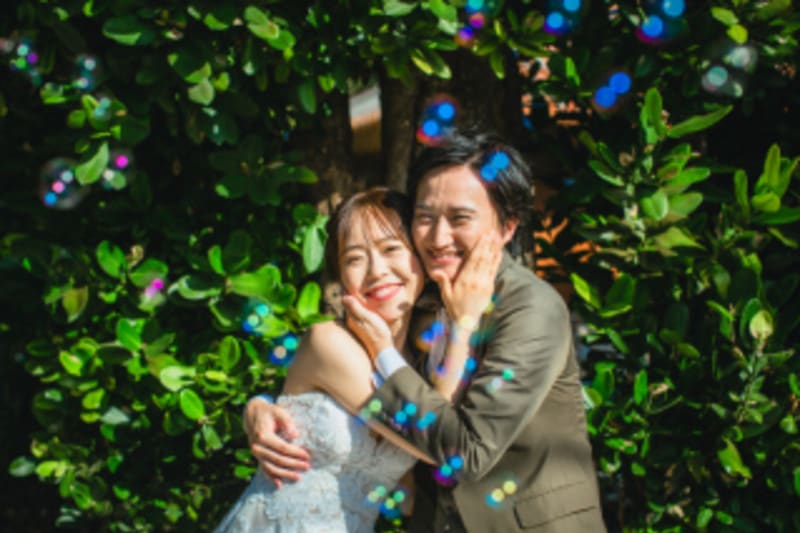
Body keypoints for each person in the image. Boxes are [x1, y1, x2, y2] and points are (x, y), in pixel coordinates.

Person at [245, 131, 606, 532]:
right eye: (425, 217)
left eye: (460, 218)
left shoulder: (530, 309)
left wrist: (385, 352)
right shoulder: (413, 296)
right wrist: (261, 408)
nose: (438, 238)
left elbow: (467, 454)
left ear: (507, 227)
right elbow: (336, 378)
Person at [215, 187, 499, 532]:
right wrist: (463, 323)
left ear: (420, 259)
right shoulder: (328, 342)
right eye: (354, 259)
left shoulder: (420, 365)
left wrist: (258, 406)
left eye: (391, 249)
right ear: (341, 278)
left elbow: (409, 492)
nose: (376, 271)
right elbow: (434, 441)